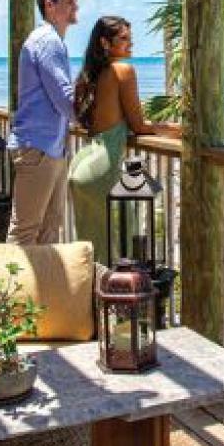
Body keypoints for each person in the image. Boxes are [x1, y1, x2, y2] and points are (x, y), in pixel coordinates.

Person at [68, 16, 179, 262]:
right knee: (118, 250)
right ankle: (112, 299)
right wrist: (179, 130)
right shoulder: (123, 71)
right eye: (124, 39)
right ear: (105, 43)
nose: (131, 44)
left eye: (131, 38)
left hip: (82, 164)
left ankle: (88, 298)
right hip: (102, 168)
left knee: (90, 249)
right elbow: (139, 125)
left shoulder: (92, 75)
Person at [7, 0, 78, 245]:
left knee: (49, 229)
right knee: (25, 231)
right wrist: (92, 119)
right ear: (50, 5)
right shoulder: (48, 41)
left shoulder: (50, 40)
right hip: (38, 148)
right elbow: (63, 96)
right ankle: (9, 287)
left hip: (49, 148)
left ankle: (42, 287)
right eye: (69, 2)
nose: (76, 7)